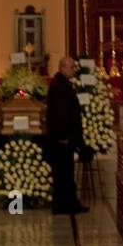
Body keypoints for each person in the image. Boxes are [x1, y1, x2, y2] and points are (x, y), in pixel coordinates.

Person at [45, 56, 89, 214]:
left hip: (64, 138)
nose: (74, 70)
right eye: (71, 67)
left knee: (65, 173)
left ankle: (68, 204)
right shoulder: (59, 86)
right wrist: (63, 136)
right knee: (63, 173)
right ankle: (64, 205)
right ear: (63, 68)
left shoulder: (62, 84)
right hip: (61, 139)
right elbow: (59, 114)